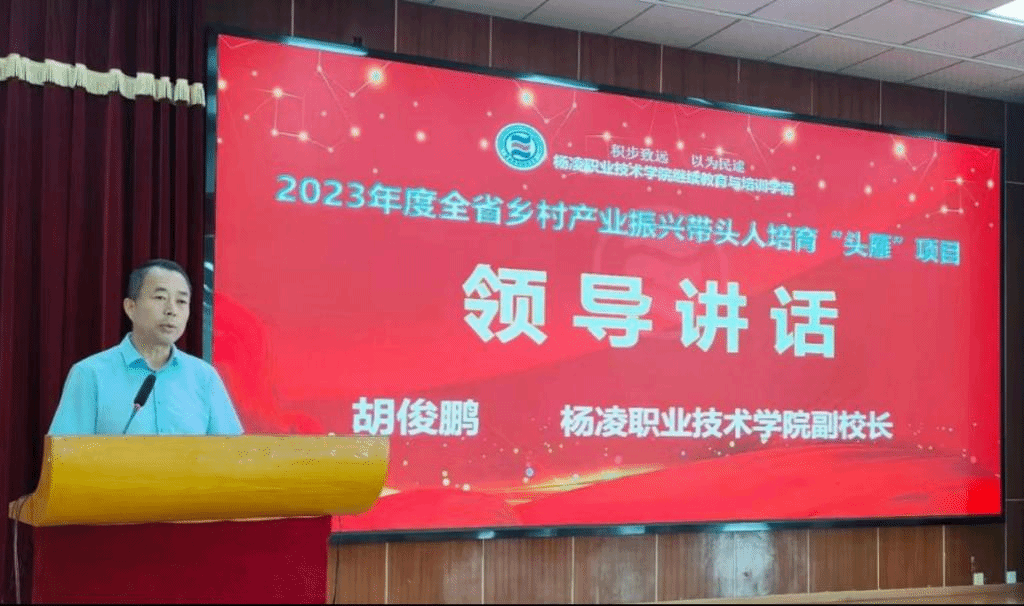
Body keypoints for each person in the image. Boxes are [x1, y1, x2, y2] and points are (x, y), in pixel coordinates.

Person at [48, 259, 243, 435]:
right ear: (131, 308)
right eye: (160, 298)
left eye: (181, 301)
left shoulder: (204, 377)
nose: (172, 310)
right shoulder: (90, 374)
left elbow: (232, 454)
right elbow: (64, 455)